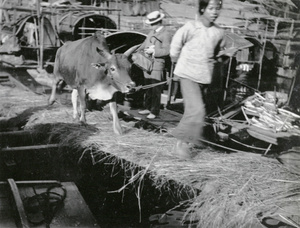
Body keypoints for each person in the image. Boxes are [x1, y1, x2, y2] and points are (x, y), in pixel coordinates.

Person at [170, 0, 236, 158]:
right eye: (211, 8)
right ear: (202, 9)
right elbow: (175, 46)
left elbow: (222, 51)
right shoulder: (191, 27)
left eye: (217, 9)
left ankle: (179, 143)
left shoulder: (218, 32)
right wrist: (178, 63)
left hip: (204, 77)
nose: (214, 12)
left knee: (192, 111)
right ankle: (182, 144)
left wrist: (225, 56)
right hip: (187, 74)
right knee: (197, 110)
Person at [136, 11, 172, 119]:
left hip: (157, 65)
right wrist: (137, 51)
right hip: (147, 64)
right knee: (148, 87)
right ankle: (148, 107)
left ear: (159, 22)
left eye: (153, 23)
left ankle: (155, 111)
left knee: (155, 88)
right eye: (151, 24)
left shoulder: (166, 34)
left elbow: (167, 51)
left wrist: (154, 51)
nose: (151, 26)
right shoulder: (152, 32)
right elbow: (144, 44)